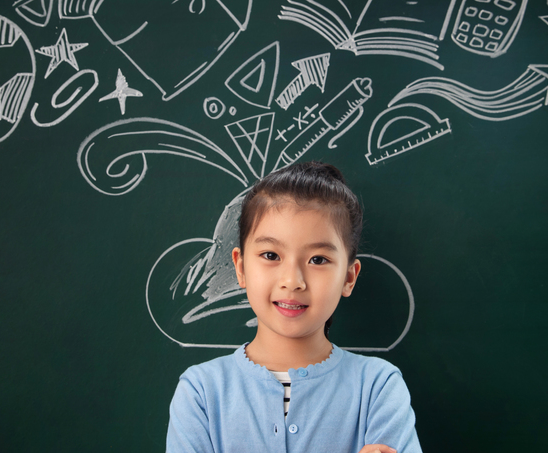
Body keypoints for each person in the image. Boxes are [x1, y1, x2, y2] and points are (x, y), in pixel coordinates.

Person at [166, 161, 423, 453]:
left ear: (349, 278)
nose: (292, 281)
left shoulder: (378, 388)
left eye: (318, 260)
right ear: (240, 268)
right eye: (271, 254)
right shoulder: (201, 392)